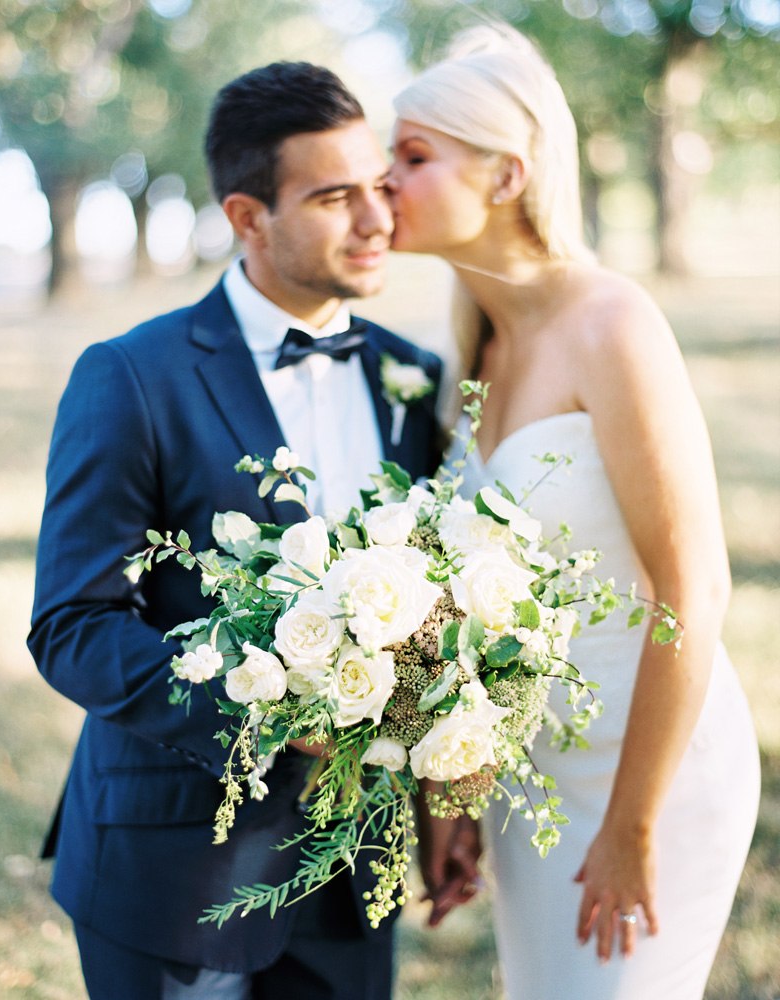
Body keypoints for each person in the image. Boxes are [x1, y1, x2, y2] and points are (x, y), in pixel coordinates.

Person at [28, 61, 444, 1000]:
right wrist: (265, 717)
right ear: (248, 217)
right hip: (174, 873)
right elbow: (72, 624)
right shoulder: (132, 376)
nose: (379, 220)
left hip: (349, 881)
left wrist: (439, 795)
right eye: (335, 197)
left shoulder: (411, 377)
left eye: (379, 187)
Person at [385, 23, 761, 1000]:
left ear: (504, 176)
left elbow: (693, 585)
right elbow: (472, 608)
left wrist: (632, 823)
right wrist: (458, 785)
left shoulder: (611, 323)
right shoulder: (464, 356)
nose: (381, 178)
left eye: (412, 156)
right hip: (531, 782)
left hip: (649, 776)